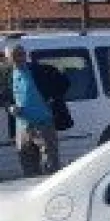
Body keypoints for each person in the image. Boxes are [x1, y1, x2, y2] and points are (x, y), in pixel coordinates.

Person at [3, 41, 70, 176]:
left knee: (50, 166)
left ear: (25, 55)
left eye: (20, 55)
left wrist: (53, 98)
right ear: (8, 59)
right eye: (14, 56)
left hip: (43, 124)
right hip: (22, 128)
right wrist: (10, 107)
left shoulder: (41, 70)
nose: (18, 59)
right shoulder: (7, 76)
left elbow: (65, 83)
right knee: (28, 168)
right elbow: (4, 97)